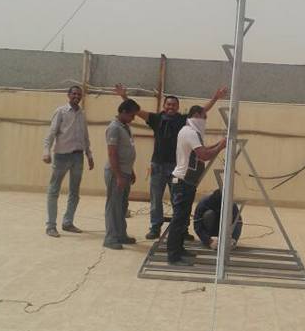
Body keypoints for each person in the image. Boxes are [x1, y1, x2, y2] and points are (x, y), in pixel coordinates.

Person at [114, 84, 227, 240]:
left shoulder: (183, 120)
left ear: (178, 107)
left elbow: (202, 111)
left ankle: (182, 229)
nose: (171, 107)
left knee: (178, 202)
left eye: (174, 105)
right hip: (157, 165)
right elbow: (136, 110)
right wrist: (123, 96)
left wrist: (215, 98)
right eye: (168, 104)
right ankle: (155, 228)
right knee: (156, 199)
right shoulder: (156, 119)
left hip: (176, 167)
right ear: (164, 106)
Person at [167, 106, 226, 265]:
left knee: (183, 220)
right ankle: (173, 256)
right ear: (196, 115)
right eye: (204, 117)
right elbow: (204, 155)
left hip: (187, 183)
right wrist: (220, 147)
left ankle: (179, 250)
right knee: (178, 220)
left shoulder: (191, 132)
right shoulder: (190, 132)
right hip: (182, 182)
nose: (205, 121)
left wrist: (219, 144)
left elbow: (203, 150)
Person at [43, 85, 94, 237]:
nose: (77, 96)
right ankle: (51, 226)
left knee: (74, 193)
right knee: (54, 191)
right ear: (68, 95)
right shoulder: (61, 112)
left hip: (78, 157)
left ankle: (68, 222)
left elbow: (85, 136)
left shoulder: (82, 114)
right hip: (61, 156)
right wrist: (46, 151)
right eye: (74, 94)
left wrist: (89, 155)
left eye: (79, 94)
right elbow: (51, 133)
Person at [103, 99, 140, 249]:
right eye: (132, 115)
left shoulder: (125, 127)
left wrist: (131, 171)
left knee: (122, 205)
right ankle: (110, 238)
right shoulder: (114, 128)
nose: (133, 118)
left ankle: (121, 234)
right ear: (124, 112)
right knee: (114, 205)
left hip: (125, 172)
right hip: (115, 173)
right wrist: (118, 175)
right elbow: (112, 154)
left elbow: (126, 151)